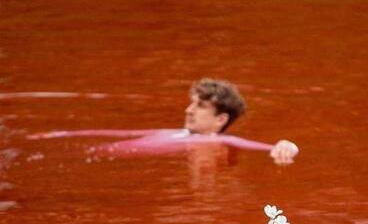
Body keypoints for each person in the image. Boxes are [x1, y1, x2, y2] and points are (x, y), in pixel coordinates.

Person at [28, 78, 299, 164]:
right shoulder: (177, 132)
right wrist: (61, 135)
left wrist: (286, 145)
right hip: (91, 154)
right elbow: (114, 132)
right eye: (192, 102)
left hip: (95, 160)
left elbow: (266, 146)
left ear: (220, 119)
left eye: (200, 106)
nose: (188, 110)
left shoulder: (218, 140)